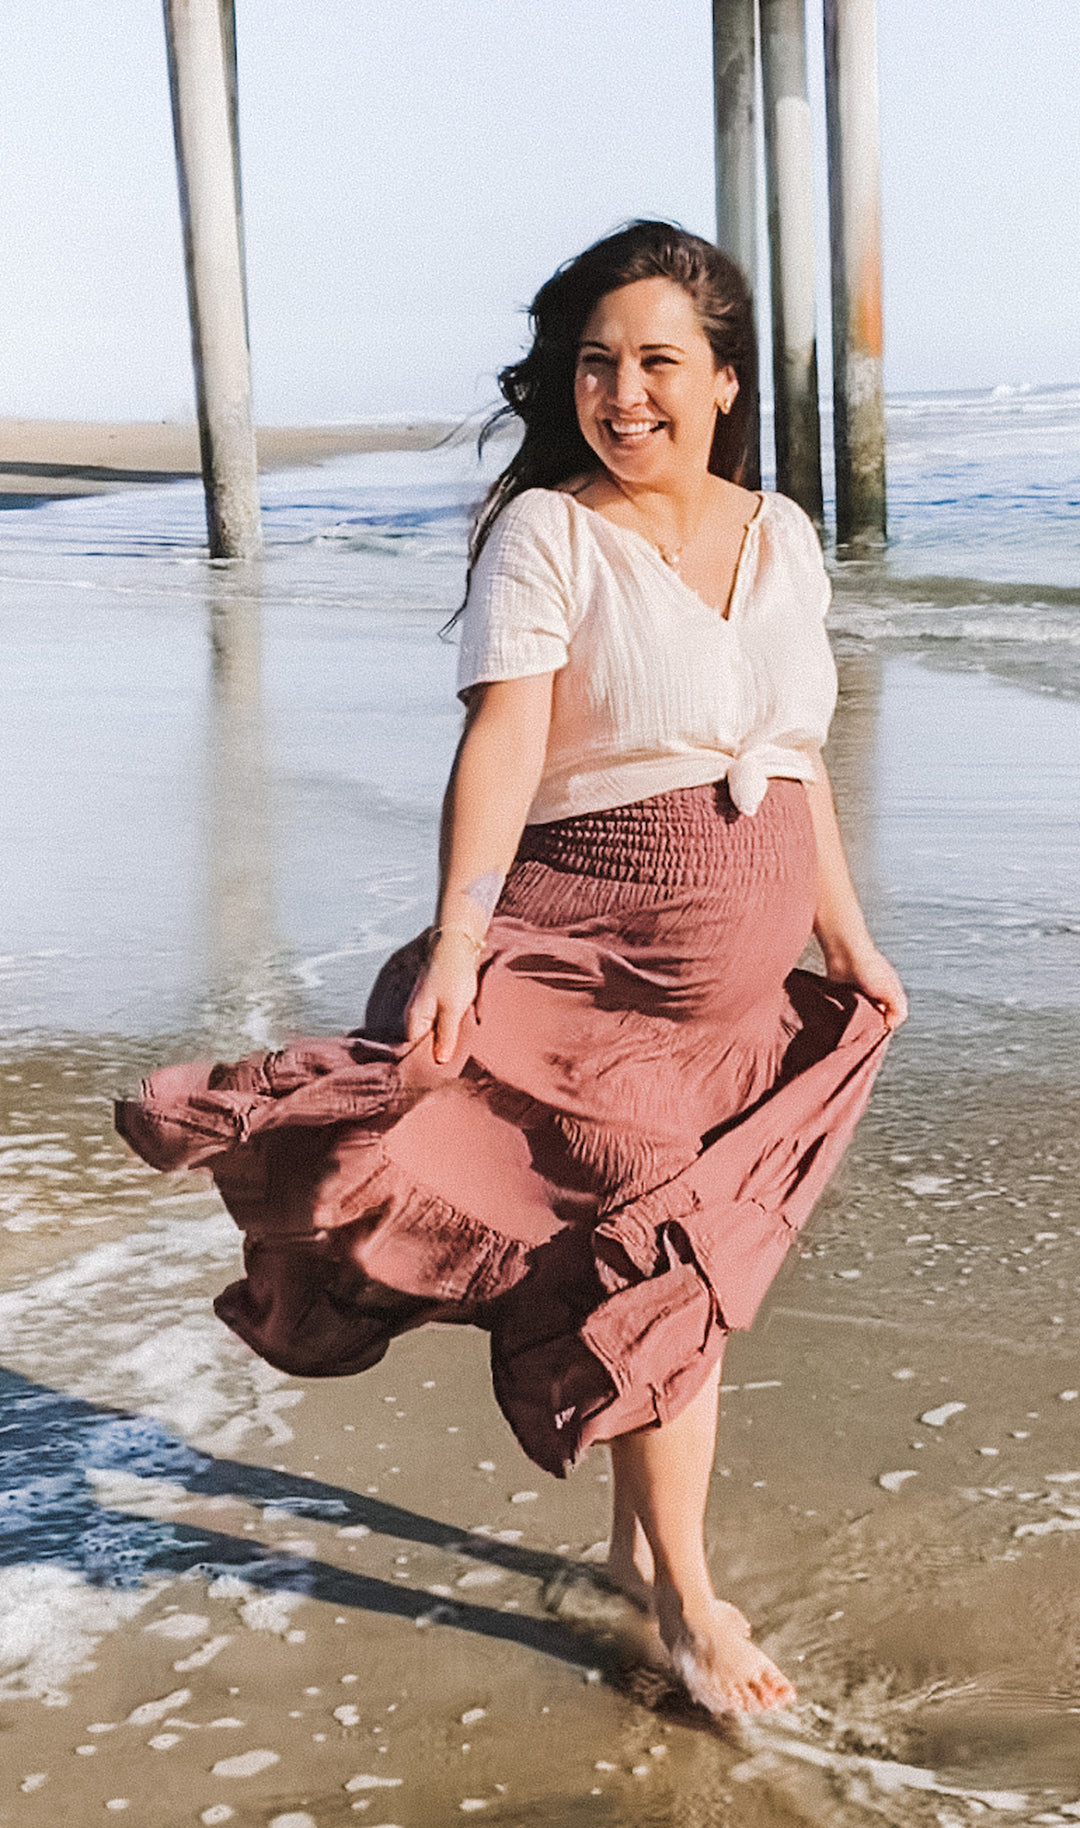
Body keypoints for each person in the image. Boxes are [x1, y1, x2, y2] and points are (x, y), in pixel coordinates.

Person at [117, 220, 906, 1719]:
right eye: (596, 365)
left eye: (660, 362)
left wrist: (848, 943)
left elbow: (792, 757)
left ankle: (629, 1546)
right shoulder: (550, 531)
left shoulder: (784, 534)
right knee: (665, 1269)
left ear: (725, 380)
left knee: (676, 1271)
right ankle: (686, 1598)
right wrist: (464, 941)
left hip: (729, 998)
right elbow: (504, 745)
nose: (625, 393)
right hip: (592, 969)